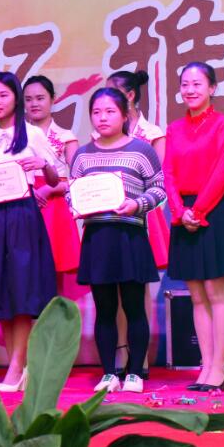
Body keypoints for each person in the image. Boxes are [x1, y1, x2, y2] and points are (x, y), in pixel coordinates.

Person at [69, 88, 166, 394]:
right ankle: (109, 373)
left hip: (130, 236)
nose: (103, 118)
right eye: (96, 112)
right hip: (97, 238)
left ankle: (135, 372)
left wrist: (137, 204)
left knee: (135, 307)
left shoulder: (142, 150)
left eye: (110, 111)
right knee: (105, 309)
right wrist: (77, 205)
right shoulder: (83, 154)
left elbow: (159, 188)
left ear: (125, 115)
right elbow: (73, 191)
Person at [0, 72, 58, 392]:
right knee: (2, 293)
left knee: (21, 292)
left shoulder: (31, 133)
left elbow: (54, 177)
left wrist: (41, 164)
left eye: (3, 95)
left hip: (22, 216)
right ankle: (16, 366)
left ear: (16, 98)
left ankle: (17, 368)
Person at [163, 62, 224, 392]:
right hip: (184, 215)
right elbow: (168, 173)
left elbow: (222, 172)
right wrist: (180, 211)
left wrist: (197, 211)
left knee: (217, 292)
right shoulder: (174, 129)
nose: (190, 89)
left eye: (197, 84)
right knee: (197, 295)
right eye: (185, 84)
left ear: (212, 88)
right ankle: (206, 366)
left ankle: (220, 368)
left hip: (213, 211)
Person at [106, 71, 168, 268]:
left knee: (141, 271)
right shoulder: (102, 134)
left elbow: (158, 179)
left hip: (144, 207)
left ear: (130, 95)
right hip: (110, 207)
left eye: (112, 92)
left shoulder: (152, 133)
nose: (106, 98)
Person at [23, 76, 81, 274]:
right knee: (25, 268)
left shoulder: (66, 137)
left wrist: (49, 189)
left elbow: (77, 180)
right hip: (24, 203)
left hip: (54, 205)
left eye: (40, 98)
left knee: (54, 268)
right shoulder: (17, 136)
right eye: (28, 99)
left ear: (52, 99)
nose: (34, 104)